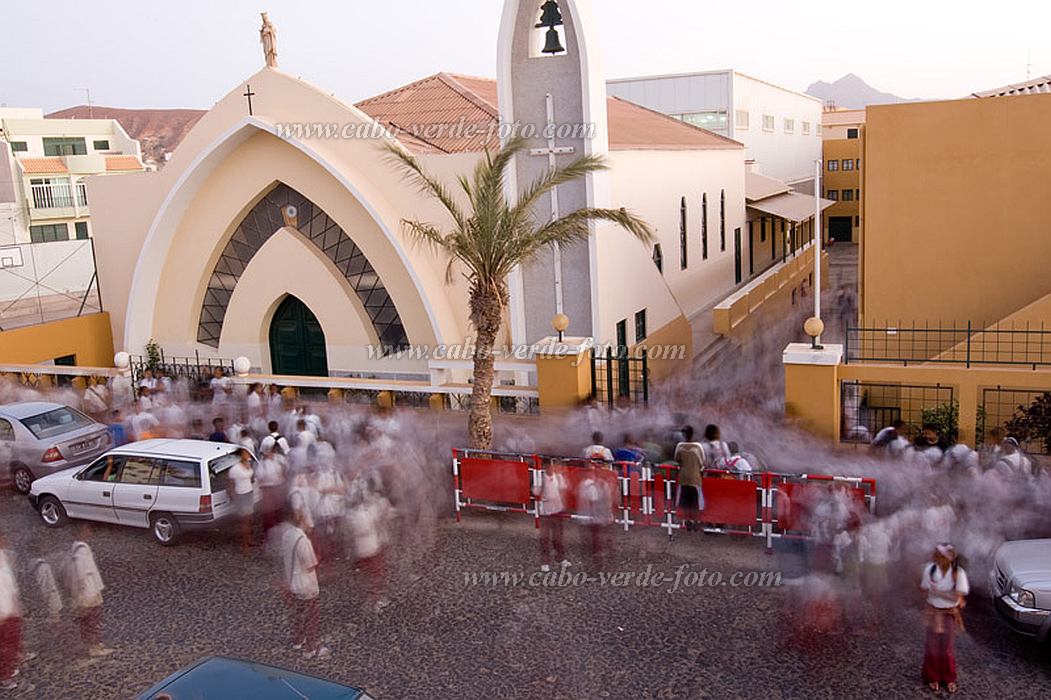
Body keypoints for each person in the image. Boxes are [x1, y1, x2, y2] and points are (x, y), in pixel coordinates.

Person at [275, 511, 329, 659]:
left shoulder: (287, 535)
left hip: (292, 581)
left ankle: (298, 640)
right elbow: (310, 564)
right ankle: (310, 648)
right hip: (305, 584)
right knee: (312, 616)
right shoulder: (303, 540)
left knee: (298, 613)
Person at [920, 543, 969, 694]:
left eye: (941, 556)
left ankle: (948, 678)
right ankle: (932, 676)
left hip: (948, 613)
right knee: (932, 646)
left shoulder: (958, 573)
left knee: (947, 647)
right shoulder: (930, 569)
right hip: (933, 611)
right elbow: (924, 588)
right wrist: (942, 594)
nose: (938, 559)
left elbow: (959, 595)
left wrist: (938, 593)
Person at [66, 527, 113, 660]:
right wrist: (85, 592)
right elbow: (82, 573)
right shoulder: (81, 551)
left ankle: (91, 643)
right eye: (86, 529)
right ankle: (94, 646)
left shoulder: (76, 547)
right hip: (89, 591)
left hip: (86, 590)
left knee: (88, 620)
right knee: (93, 619)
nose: (90, 531)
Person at [0, 533, 29, 692]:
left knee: (13, 641)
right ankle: (6, 676)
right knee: (6, 646)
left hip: (10, 609)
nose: (5, 540)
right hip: (4, 613)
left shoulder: (3, 556)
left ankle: (14, 660)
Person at [533, 460, 569, 572]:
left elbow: (564, 490)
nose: (551, 468)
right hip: (545, 512)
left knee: (558, 537)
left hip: (557, 511)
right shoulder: (540, 478)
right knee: (545, 538)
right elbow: (535, 492)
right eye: (548, 466)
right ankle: (545, 562)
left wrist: (562, 504)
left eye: (553, 466)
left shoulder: (559, 477)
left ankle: (560, 558)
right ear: (545, 467)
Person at [673, 426, 705, 531]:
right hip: (695, 477)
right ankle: (695, 521)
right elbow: (702, 462)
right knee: (695, 500)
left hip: (683, 477)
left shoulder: (680, 446)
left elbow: (677, 459)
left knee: (685, 500)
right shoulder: (698, 447)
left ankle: (688, 521)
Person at [228, 449, 257, 551]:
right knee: (245, 521)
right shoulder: (235, 469)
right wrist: (233, 496)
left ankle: (249, 540)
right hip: (241, 494)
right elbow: (231, 484)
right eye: (245, 453)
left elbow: (251, 477)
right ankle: (244, 544)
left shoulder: (247, 464)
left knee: (249, 519)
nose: (248, 455)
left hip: (249, 492)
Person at [256, 442, 288, 533]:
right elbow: (260, 476)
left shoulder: (279, 459)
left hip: (278, 486)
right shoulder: (262, 463)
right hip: (267, 489)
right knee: (268, 511)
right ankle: (269, 530)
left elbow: (285, 468)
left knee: (279, 508)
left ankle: (280, 527)